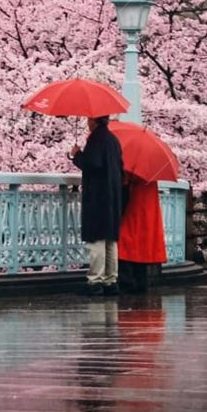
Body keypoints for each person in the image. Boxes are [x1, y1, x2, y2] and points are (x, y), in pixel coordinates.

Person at [71, 116, 124, 296]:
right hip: (113, 196)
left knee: (97, 239)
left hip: (98, 196)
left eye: (89, 119)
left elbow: (93, 164)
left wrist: (77, 155)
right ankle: (111, 280)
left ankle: (95, 280)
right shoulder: (113, 140)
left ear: (95, 121)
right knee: (110, 240)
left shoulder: (96, 140)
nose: (87, 122)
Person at [118, 177, 167, 294]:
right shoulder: (151, 175)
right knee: (142, 248)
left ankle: (127, 282)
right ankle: (141, 283)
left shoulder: (132, 176)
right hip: (147, 211)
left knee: (125, 245)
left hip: (133, 209)